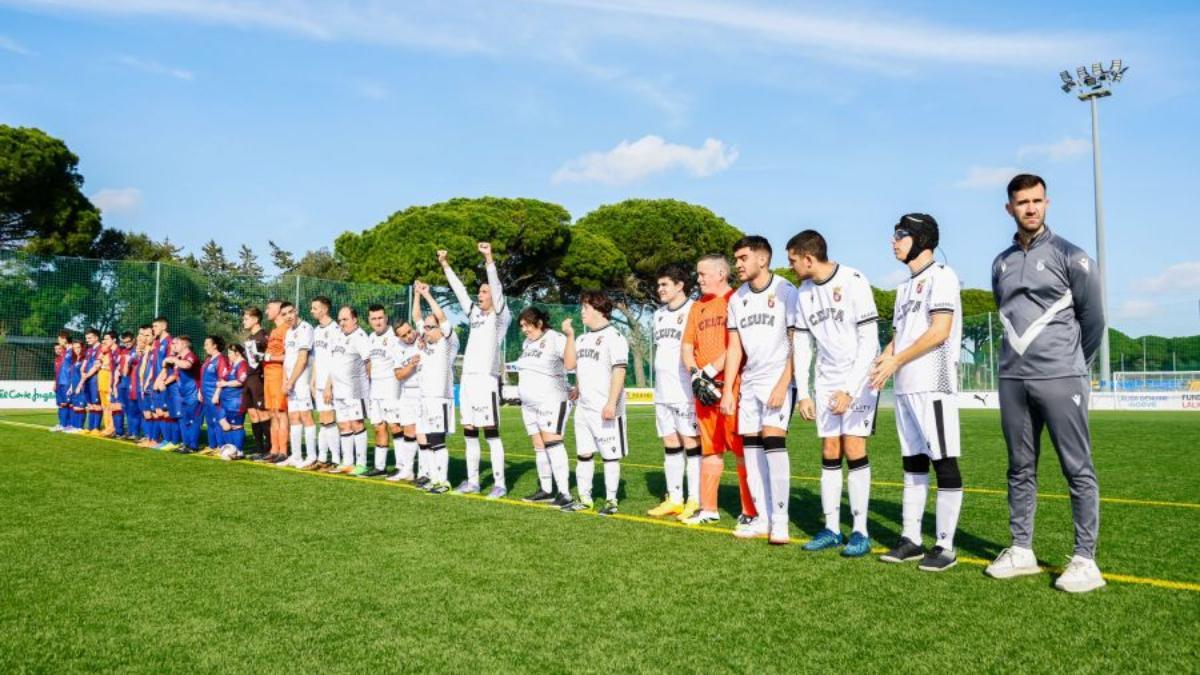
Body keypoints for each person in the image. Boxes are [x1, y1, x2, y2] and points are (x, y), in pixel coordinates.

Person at [986, 173, 1106, 593]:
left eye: (1037, 201)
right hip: (1012, 378)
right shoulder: (1000, 262)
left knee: (1077, 468)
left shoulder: (1071, 255)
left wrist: (1072, 364)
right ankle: (1021, 549)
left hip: (1060, 377)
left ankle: (1085, 558)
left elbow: (1094, 320)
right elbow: (1007, 310)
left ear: (1047, 203)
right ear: (1010, 209)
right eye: (1022, 202)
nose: (1031, 208)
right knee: (1020, 467)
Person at [870, 214, 964, 572]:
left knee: (943, 461)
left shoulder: (942, 276)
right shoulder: (904, 287)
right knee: (912, 463)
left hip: (933, 383)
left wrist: (898, 360)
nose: (893, 241)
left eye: (900, 235)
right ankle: (910, 538)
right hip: (905, 386)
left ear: (921, 238)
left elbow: (940, 331)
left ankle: (945, 545)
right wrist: (885, 357)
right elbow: (903, 333)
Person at [789, 230, 881, 557]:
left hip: (860, 377)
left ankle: (860, 531)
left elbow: (870, 342)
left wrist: (850, 389)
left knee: (853, 445)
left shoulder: (854, 280)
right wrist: (804, 392)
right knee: (829, 448)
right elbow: (801, 344)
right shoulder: (803, 293)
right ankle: (831, 527)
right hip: (826, 381)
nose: (792, 267)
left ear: (809, 258)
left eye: (794, 260)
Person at [722, 236, 798, 545]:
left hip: (778, 380)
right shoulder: (736, 298)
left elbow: (798, 343)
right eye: (736, 258)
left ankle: (781, 521)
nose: (737, 264)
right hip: (750, 384)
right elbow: (735, 348)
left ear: (762, 259)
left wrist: (784, 383)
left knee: (773, 443)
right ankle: (762, 518)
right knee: (751, 451)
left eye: (743, 258)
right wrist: (728, 389)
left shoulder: (786, 291)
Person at [439, 242, 512, 498]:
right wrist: (445, 265)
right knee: (470, 434)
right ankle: (472, 482)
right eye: (479, 291)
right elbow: (459, 291)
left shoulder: (501, 317)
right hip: (468, 382)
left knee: (491, 434)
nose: (479, 295)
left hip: (486, 381)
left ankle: (500, 484)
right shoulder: (474, 315)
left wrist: (489, 258)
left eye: (484, 291)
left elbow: (497, 288)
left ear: (494, 295)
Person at [562, 291, 629, 516]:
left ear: (599, 309)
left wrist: (611, 403)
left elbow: (619, 371)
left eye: (586, 308)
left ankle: (611, 500)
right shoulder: (582, 339)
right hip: (584, 407)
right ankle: (585, 498)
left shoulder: (615, 336)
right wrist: (570, 335)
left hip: (605, 408)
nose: (582, 312)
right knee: (583, 454)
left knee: (610, 455)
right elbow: (572, 365)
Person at [647, 263, 703, 520]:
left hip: (685, 391)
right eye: (658, 285)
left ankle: (695, 499)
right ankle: (675, 498)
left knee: (691, 443)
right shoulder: (658, 315)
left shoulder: (695, 310)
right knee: (670, 444)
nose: (659, 289)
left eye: (664, 285)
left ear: (680, 285)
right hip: (662, 390)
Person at [514, 306, 574, 506]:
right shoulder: (526, 344)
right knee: (539, 447)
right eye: (522, 326)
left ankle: (564, 493)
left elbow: (575, 361)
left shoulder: (556, 339)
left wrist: (579, 386)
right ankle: (546, 490)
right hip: (529, 406)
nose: (524, 330)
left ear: (539, 323)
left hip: (552, 400)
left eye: (527, 325)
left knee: (554, 445)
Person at [411, 281, 458, 494]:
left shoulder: (447, 341)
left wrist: (428, 294)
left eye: (431, 327)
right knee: (428, 441)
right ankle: (433, 477)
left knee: (438, 440)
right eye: (426, 328)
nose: (426, 330)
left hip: (440, 397)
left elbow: (441, 318)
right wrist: (417, 294)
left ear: (440, 328)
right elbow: (416, 317)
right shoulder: (427, 341)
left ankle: (444, 481)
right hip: (424, 398)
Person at [323, 305, 372, 475]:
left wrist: (367, 385)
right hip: (339, 390)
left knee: (357, 424)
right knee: (343, 425)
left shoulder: (360, 337)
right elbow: (334, 364)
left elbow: (368, 363)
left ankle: (362, 463)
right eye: (340, 319)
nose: (342, 323)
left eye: (345, 319)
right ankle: (347, 462)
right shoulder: (338, 337)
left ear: (354, 319)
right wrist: (329, 386)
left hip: (355, 389)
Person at [281, 302, 317, 469]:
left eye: (290, 312)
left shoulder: (306, 329)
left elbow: (302, 359)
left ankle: (311, 456)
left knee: (306, 416)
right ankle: (296, 456)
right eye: (285, 314)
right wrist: (284, 381)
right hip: (291, 382)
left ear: (296, 311)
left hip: (301, 380)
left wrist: (291, 381)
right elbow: (287, 359)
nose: (289, 316)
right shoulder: (288, 332)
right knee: (294, 418)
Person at [365, 304, 400, 478]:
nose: (378, 322)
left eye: (380, 318)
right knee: (378, 426)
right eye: (374, 318)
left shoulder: (394, 335)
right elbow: (369, 362)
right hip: (375, 388)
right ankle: (380, 466)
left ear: (386, 318)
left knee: (394, 426)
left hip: (391, 387)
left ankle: (402, 466)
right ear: (369, 321)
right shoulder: (371, 337)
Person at [386, 320, 423, 482]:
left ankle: (425, 472)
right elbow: (399, 375)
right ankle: (408, 471)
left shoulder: (423, 339)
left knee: (423, 433)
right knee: (408, 432)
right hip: (407, 393)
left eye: (409, 331)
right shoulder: (397, 349)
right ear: (397, 337)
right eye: (404, 335)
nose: (409, 336)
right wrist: (412, 365)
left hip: (424, 393)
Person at [309, 296, 339, 470]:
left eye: (315, 308)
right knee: (323, 420)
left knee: (329, 420)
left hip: (331, 383)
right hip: (319, 383)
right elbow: (316, 359)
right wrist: (313, 381)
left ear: (324, 309)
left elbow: (336, 360)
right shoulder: (316, 330)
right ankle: (322, 458)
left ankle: (334, 459)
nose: (312, 311)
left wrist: (329, 385)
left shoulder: (335, 329)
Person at [259, 299, 291, 461]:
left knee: (281, 413)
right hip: (269, 376)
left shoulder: (287, 329)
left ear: (279, 310)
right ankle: (274, 449)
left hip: (279, 375)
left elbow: (291, 355)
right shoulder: (273, 331)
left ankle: (284, 451)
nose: (266, 312)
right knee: (272, 413)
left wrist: (271, 357)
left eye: (269, 308)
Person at [241, 307, 272, 460]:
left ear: (255, 319)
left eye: (246, 318)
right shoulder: (249, 338)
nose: (243, 321)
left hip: (258, 379)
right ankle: (259, 447)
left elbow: (268, 357)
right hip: (248, 379)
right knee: (252, 413)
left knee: (262, 413)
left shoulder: (264, 336)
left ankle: (270, 447)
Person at [215, 343, 250, 459]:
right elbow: (223, 379)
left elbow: (241, 381)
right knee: (225, 424)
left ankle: (238, 450)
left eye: (230, 353)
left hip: (236, 401)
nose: (228, 355)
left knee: (236, 426)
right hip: (226, 401)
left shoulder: (243, 365)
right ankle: (230, 448)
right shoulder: (232, 365)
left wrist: (225, 383)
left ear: (237, 353)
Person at [168, 336, 202, 453]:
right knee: (183, 420)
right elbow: (177, 375)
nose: (174, 346)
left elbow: (187, 365)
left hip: (193, 393)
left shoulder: (190, 356)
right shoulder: (180, 358)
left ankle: (193, 446)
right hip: (183, 394)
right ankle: (185, 444)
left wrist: (174, 360)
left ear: (184, 345)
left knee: (193, 420)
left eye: (177, 343)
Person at [200, 335, 228, 455]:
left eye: (207, 344)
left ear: (215, 345)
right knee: (210, 421)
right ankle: (212, 445)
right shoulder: (208, 360)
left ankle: (221, 446)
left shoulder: (221, 359)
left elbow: (223, 379)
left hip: (215, 396)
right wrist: (200, 392)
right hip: (206, 396)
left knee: (218, 421)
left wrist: (217, 394)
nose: (204, 346)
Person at [79, 329, 102, 435]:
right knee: (91, 404)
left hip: (95, 380)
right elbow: (84, 363)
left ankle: (96, 428)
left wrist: (86, 376)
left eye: (90, 338)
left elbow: (97, 366)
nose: (87, 340)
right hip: (87, 379)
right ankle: (90, 427)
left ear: (96, 337)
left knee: (97, 403)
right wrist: (82, 372)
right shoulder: (89, 350)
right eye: (86, 338)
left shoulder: (100, 348)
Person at [53, 330, 74, 432]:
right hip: (61, 381)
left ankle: (70, 425)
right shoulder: (65, 352)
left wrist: (72, 383)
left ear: (64, 339)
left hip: (67, 382)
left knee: (69, 403)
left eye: (59, 339)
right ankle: (63, 424)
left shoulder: (72, 350)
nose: (58, 341)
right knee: (62, 403)